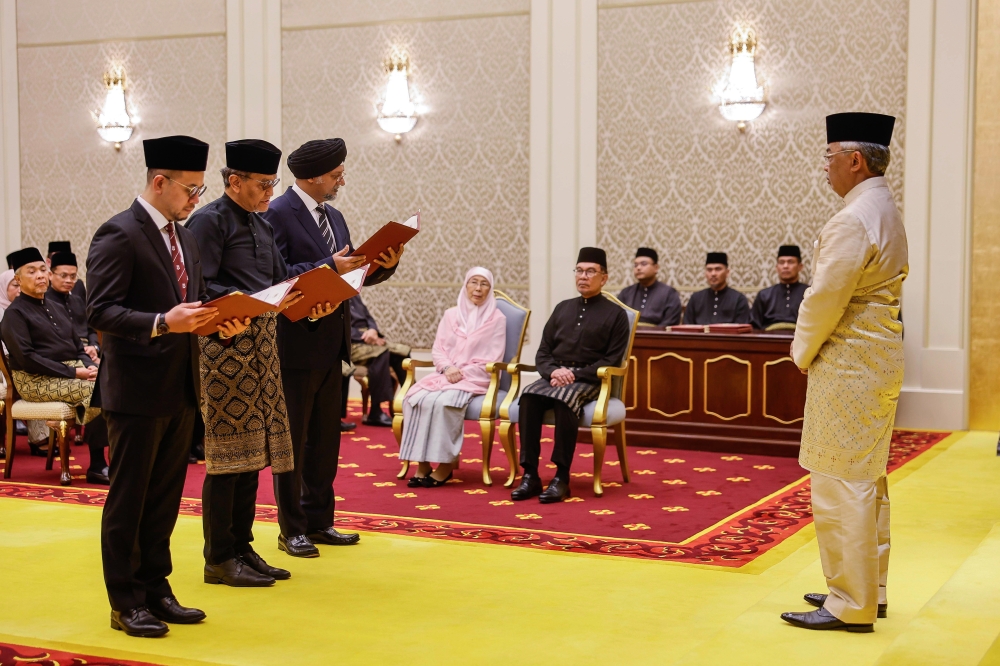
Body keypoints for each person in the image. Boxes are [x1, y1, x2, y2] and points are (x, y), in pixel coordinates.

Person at [88, 135, 242, 638]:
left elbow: (191, 307)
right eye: (192, 190)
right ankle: (125, 600)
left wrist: (219, 323)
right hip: (134, 390)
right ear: (160, 182)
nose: (197, 200)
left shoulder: (186, 238)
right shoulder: (119, 233)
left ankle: (157, 587)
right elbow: (101, 311)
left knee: (165, 497)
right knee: (129, 499)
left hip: (181, 387)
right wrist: (161, 321)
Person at [779, 112, 906, 633]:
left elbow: (823, 299)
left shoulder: (851, 219)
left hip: (850, 363)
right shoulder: (882, 206)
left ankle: (848, 601)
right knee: (867, 477)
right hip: (877, 359)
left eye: (829, 156)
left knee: (839, 480)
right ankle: (866, 588)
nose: (824, 168)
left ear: (854, 160)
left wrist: (800, 352)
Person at [187, 139, 325, 588]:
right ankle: (218, 558)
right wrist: (236, 305)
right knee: (228, 456)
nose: (270, 192)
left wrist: (310, 300)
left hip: (264, 346)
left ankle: (242, 546)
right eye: (264, 184)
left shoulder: (261, 224)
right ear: (234, 182)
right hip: (222, 348)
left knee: (254, 453)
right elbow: (198, 285)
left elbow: (281, 280)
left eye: (273, 184)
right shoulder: (208, 221)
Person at [264, 138, 402, 558]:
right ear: (311, 177)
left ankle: (321, 521)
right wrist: (328, 267)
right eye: (336, 174)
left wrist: (384, 265)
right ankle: (292, 528)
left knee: (325, 441)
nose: (342, 179)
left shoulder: (335, 216)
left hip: (332, 343)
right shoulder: (277, 213)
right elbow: (275, 274)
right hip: (292, 343)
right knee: (294, 441)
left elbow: (349, 279)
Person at [511, 247, 630, 504]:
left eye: (590, 271)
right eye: (579, 270)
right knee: (529, 395)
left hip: (591, 379)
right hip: (556, 375)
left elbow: (611, 360)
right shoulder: (562, 308)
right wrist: (554, 371)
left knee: (565, 398)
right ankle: (530, 474)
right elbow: (543, 352)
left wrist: (573, 376)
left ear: (604, 277)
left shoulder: (617, 315)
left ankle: (561, 477)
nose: (583, 276)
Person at [0, 248, 108, 484]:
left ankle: (115, 458)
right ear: (17, 279)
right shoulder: (14, 314)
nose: (40, 275)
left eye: (42, 270)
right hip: (33, 380)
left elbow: (78, 349)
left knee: (113, 381)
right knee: (100, 390)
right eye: (32, 271)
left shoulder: (57, 306)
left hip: (67, 371)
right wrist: (75, 373)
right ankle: (98, 465)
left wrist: (90, 367)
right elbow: (27, 358)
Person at [399, 268, 506, 486]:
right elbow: (438, 348)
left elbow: (493, 358)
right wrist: (448, 368)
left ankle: (446, 466)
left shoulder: (497, 319)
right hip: (447, 375)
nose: (478, 288)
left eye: (484, 284)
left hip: (476, 378)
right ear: (465, 285)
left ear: (490, 288)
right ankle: (422, 463)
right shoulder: (451, 314)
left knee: (444, 403)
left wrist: (461, 373)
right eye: (473, 282)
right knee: (417, 399)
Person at [349, 294, 410, 426]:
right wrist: (366, 336)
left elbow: (368, 317)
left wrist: (373, 330)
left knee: (403, 352)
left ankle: (411, 403)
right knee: (382, 353)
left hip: (370, 341)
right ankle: (375, 412)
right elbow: (339, 326)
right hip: (351, 344)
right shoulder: (335, 296)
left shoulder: (354, 294)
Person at [47, 252, 100, 362]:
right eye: (63, 276)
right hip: (65, 356)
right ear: (50, 275)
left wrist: (94, 347)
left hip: (89, 353)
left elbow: (91, 330)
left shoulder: (78, 300)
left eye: (73, 276)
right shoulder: (44, 303)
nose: (69, 280)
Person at [617, 247, 681, 327]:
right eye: (635, 265)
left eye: (643, 264)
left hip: (658, 337)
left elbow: (671, 322)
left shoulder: (669, 293)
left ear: (656, 268)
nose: (638, 268)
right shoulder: (626, 293)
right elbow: (617, 319)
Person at [750, 246, 809, 330]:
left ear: (800, 267)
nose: (785, 266)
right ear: (777, 267)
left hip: (802, 340)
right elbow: (754, 326)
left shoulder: (809, 293)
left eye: (790, 262)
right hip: (769, 340)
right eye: (781, 262)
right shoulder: (764, 295)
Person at [683, 252, 750, 325]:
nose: (713, 274)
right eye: (709, 270)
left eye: (718, 269)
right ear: (705, 273)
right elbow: (687, 327)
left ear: (727, 272)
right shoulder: (695, 298)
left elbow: (741, 330)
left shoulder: (739, 299)